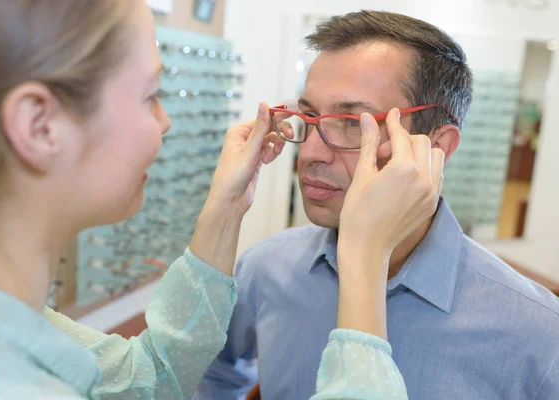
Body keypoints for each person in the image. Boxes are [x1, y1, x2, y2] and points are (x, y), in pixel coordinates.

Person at [0, 1, 440, 399]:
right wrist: (363, 257)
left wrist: (226, 207)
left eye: (351, 124)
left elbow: (151, 380)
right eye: (152, 94)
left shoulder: (1, 322)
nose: (165, 121)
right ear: (39, 125)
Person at [193, 10, 559, 400]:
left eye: (354, 123)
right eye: (311, 116)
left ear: (438, 146)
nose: (312, 152)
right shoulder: (265, 269)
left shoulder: (536, 332)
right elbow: (215, 375)